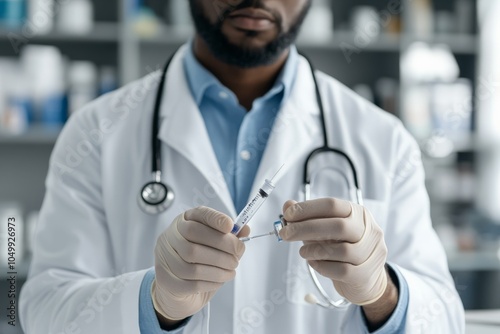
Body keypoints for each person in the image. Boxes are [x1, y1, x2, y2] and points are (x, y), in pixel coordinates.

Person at [20, 0, 465, 333]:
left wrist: (381, 292)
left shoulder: (383, 138)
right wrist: (156, 301)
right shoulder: (96, 133)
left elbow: (445, 316)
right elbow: (43, 310)